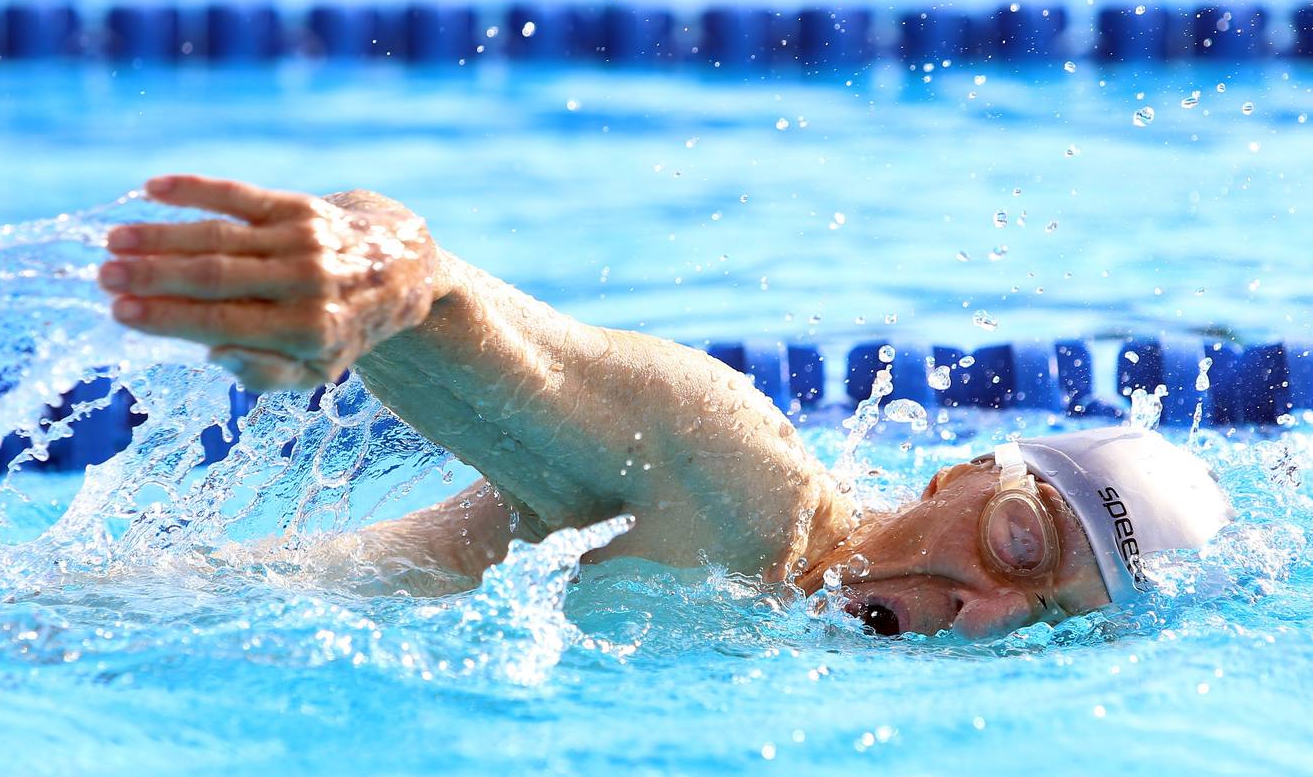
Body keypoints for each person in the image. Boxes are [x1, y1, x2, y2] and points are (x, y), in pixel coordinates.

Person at [96, 175, 1234, 638]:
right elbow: (464, 310)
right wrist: (367, 271)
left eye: (1045, 622)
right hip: (84, 641)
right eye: (1020, 543)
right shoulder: (742, 485)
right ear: (962, 476)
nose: (985, 608)